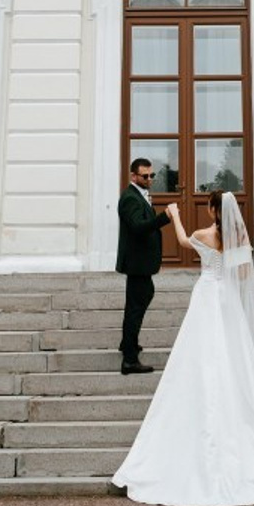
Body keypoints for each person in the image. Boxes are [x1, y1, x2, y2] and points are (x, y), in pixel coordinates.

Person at [113, 190, 254, 506]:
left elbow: (184, 243)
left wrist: (174, 217)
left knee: (200, 351)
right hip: (228, 297)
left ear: (215, 209)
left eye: (208, 205)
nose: (206, 210)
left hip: (206, 294)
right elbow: (243, 274)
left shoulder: (204, 234)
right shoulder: (238, 237)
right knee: (231, 353)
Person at [116, 157, 171, 375]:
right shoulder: (130, 198)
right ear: (134, 176)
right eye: (145, 176)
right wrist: (164, 217)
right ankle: (129, 360)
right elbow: (138, 227)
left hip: (141, 264)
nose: (150, 179)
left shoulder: (140, 195)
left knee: (141, 299)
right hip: (137, 264)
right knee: (135, 308)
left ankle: (128, 344)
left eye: (152, 175)